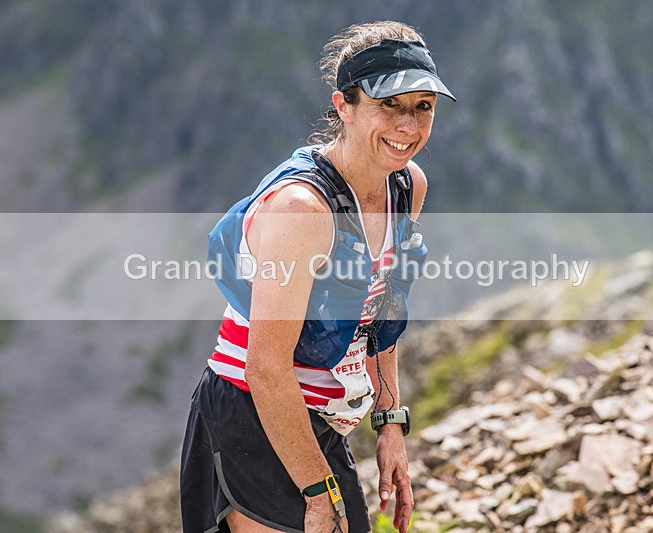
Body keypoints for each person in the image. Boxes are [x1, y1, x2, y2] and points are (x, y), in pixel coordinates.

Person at [181, 20, 455, 533]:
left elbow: (381, 315)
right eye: (388, 105)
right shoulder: (302, 211)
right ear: (343, 106)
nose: (408, 125)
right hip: (252, 415)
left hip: (318, 421)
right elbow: (265, 366)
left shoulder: (406, 188)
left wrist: (390, 423)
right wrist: (314, 488)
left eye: (423, 107)